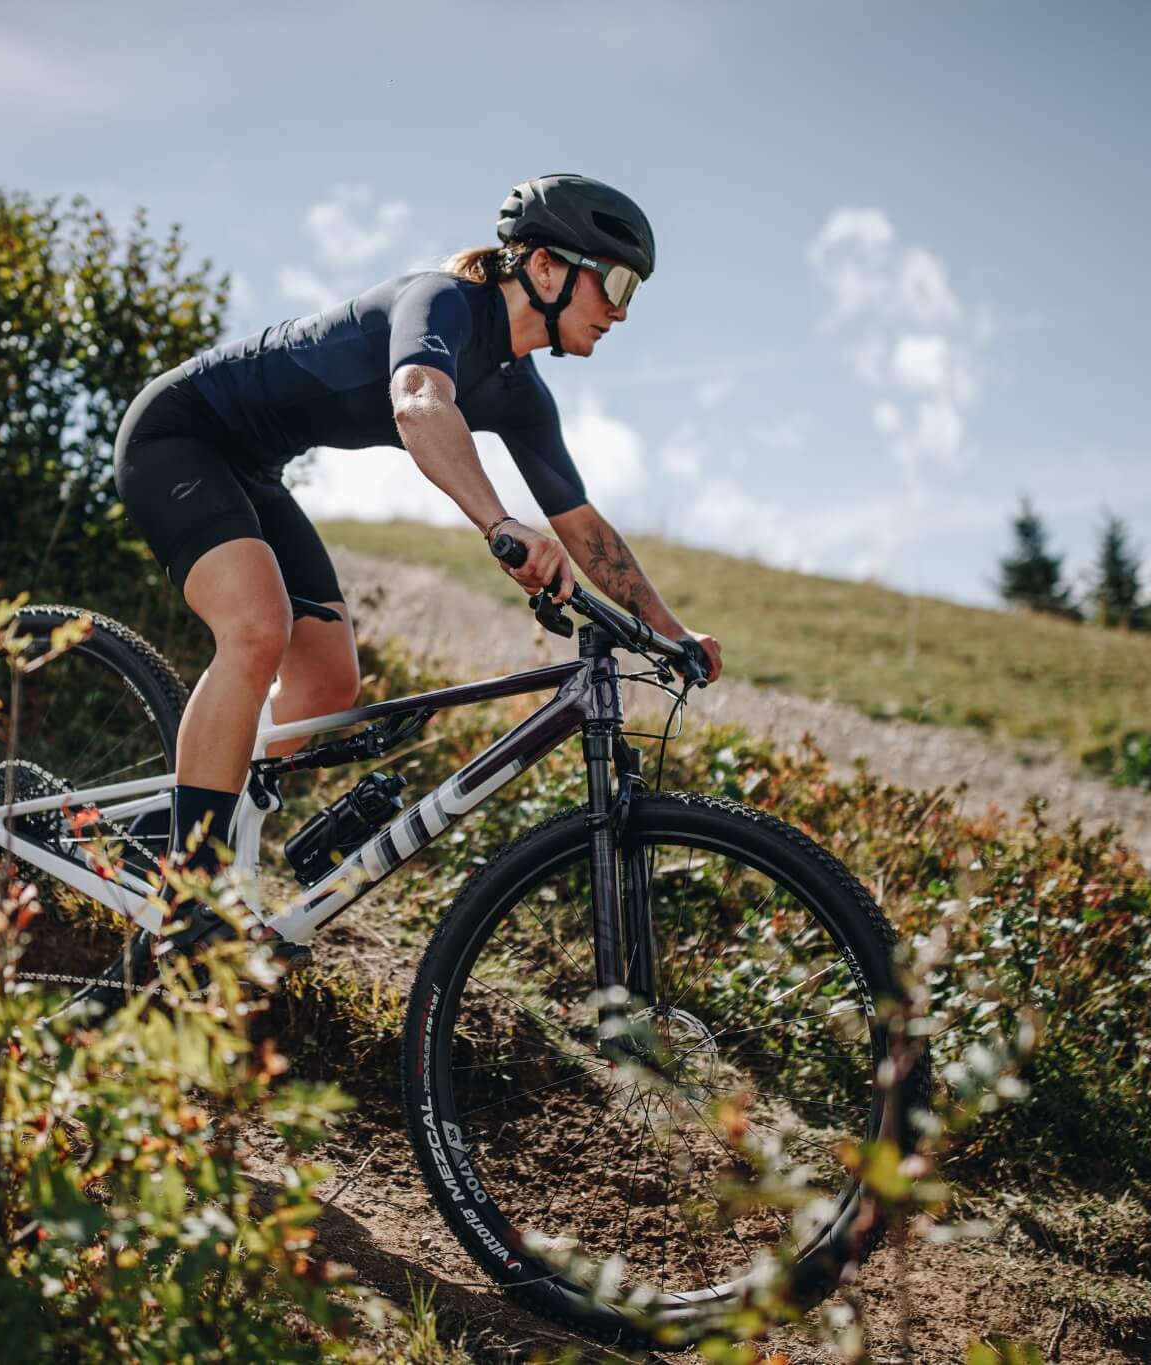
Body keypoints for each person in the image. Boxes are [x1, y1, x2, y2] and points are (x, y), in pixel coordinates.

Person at [111, 172, 724, 923]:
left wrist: (671, 632)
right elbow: (419, 402)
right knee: (258, 627)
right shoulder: (442, 302)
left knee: (329, 685)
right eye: (616, 281)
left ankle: (170, 823)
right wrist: (499, 523)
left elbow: (583, 527)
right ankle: (192, 880)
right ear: (543, 266)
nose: (622, 310)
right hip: (179, 436)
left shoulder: (521, 392)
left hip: (251, 470)